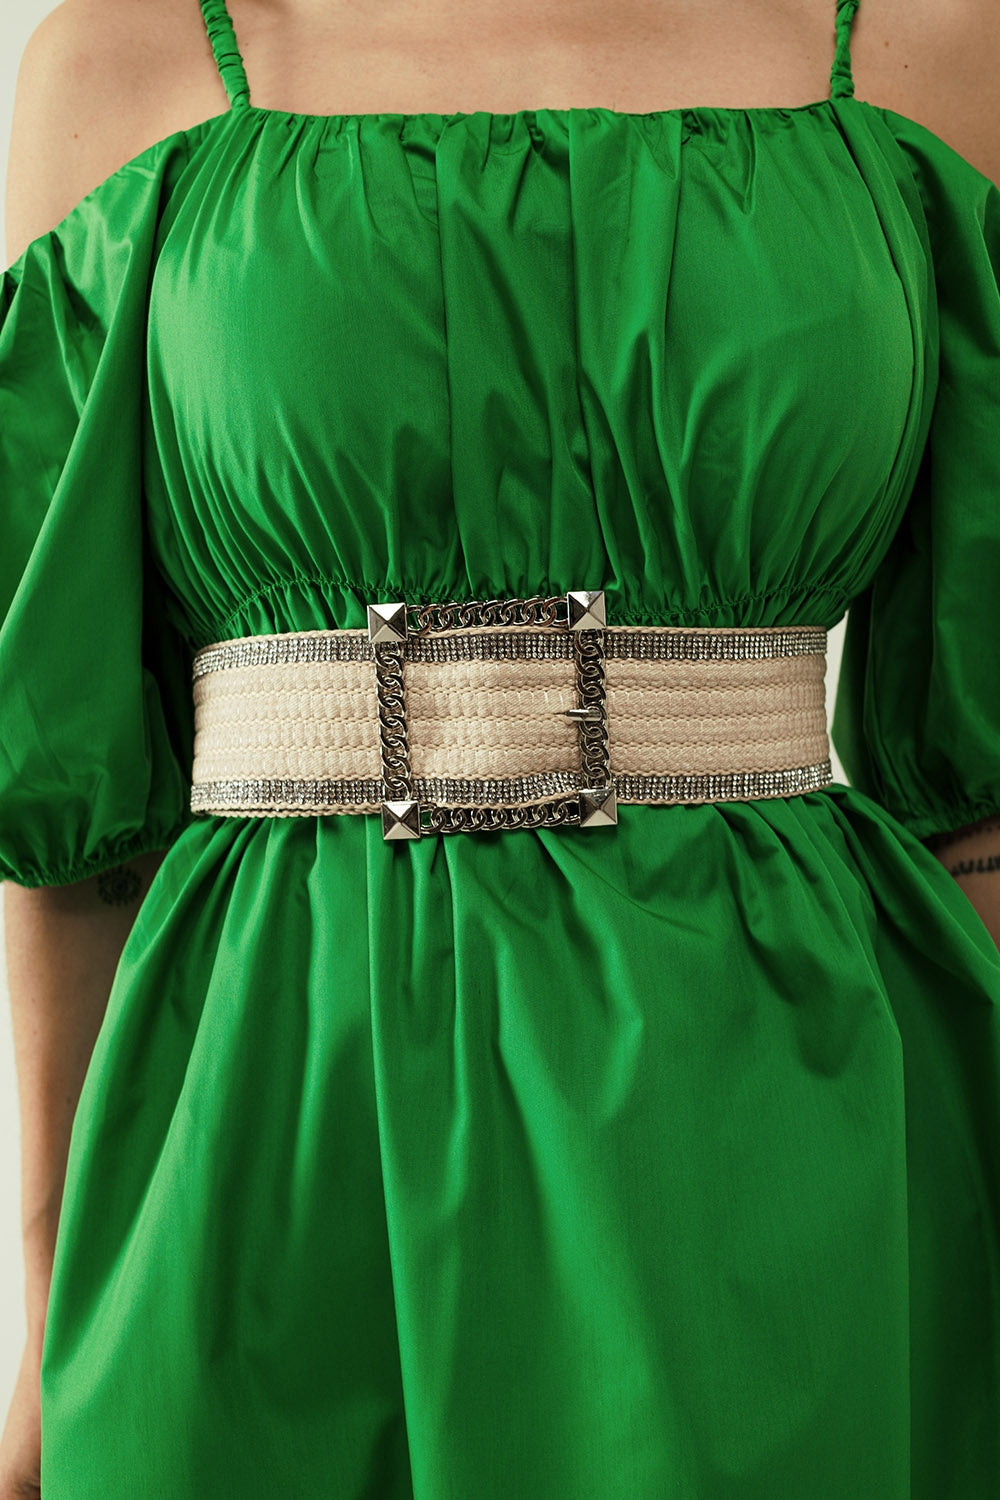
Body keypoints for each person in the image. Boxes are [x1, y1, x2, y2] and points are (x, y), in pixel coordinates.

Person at [1, 0, 999, 1494]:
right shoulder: (123, 58)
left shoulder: (935, 48)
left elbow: (982, 781)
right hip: (266, 1123)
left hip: (796, 1136)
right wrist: (41, 1294)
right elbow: (59, 761)